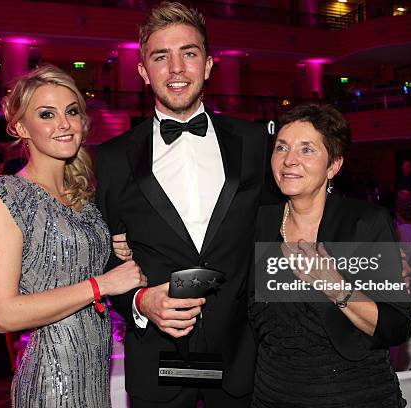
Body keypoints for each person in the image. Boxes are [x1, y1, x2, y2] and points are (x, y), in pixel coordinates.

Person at [95, 2, 271, 407]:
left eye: (188, 54)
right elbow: (100, 255)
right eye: (161, 57)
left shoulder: (254, 143)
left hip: (242, 362)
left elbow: (286, 227)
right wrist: (139, 302)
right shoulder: (111, 159)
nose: (176, 69)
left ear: (209, 64)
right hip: (158, 366)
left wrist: (369, 256)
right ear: (143, 72)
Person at [0, 65, 146, 406]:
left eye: (71, 112)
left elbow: (75, 263)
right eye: (47, 114)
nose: (64, 123)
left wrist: (117, 250)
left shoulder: (83, 195)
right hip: (52, 380)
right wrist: (104, 284)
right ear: (22, 127)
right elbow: (3, 315)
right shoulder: (7, 195)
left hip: (95, 371)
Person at [250, 104, 411, 407]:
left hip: (354, 396)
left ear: (333, 166)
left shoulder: (364, 223)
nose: (289, 160)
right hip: (272, 396)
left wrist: (336, 286)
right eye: (281, 148)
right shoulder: (257, 224)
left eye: (307, 150)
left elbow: (396, 327)